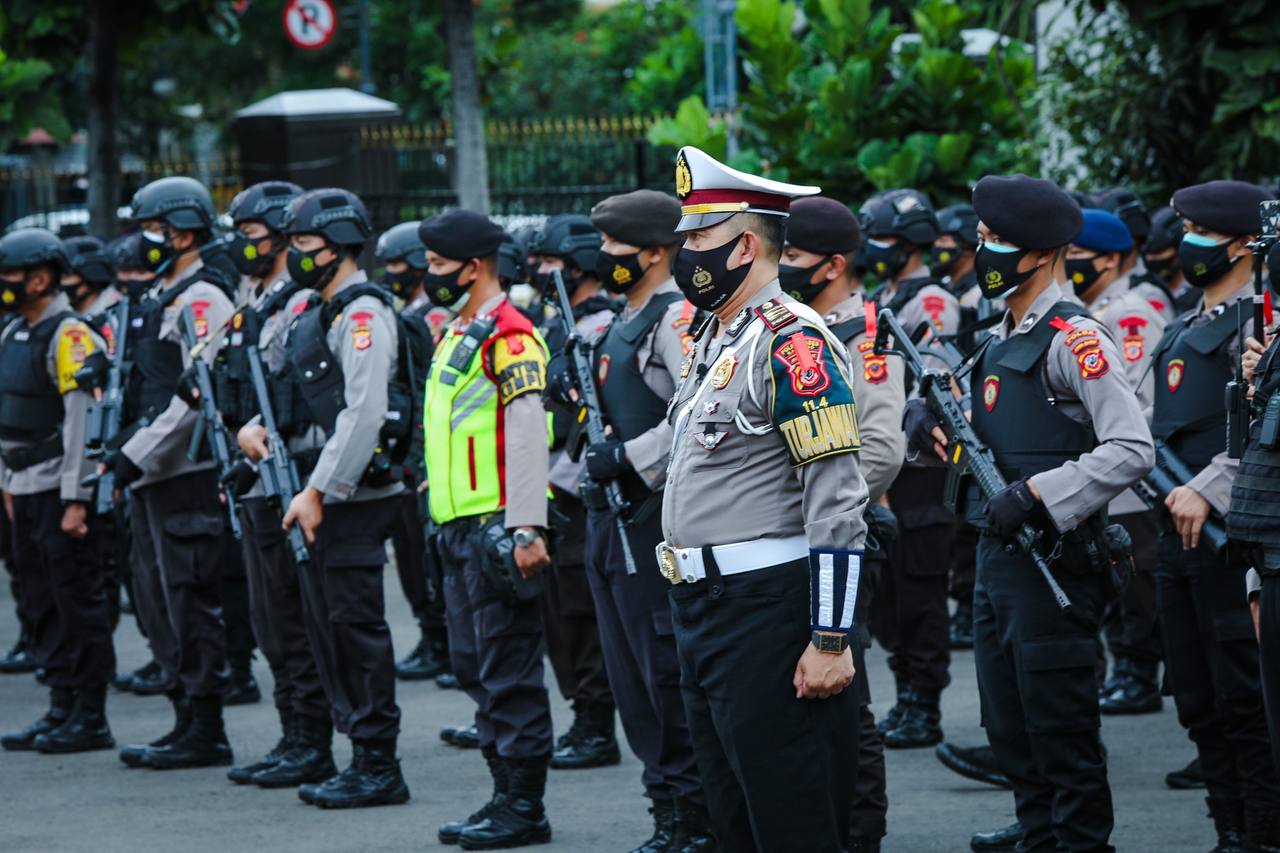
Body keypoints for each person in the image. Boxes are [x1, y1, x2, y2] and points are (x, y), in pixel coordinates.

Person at [906, 173, 1154, 853]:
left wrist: (1043, 493)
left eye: (994, 242)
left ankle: (1075, 840)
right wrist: (926, 424)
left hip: (1054, 561)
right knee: (1009, 721)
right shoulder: (998, 337)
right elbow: (968, 429)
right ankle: (1037, 833)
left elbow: (1133, 447)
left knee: (1059, 728)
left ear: (1042, 252)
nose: (981, 253)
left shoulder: (1074, 339)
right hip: (996, 554)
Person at [660, 145, 868, 852]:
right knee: (732, 815)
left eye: (699, 238)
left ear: (747, 244)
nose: (683, 251)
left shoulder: (793, 342)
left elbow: (836, 493)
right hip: (704, 607)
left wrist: (830, 636)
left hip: (764, 607)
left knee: (791, 816)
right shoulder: (719, 336)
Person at [563, 188, 714, 850]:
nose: (604, 257)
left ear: (656, 252)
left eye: (616, 249)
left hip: (652, 518)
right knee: (628, 676)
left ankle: (693, 813)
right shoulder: (617, 320)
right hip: (608, 519)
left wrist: (628, 455)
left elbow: (695, 413)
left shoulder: (676, 319)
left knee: (662, 670)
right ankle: (665, 804)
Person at [272, 187, 413, 809]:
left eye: (304, 245)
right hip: (326, 493)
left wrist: (317, 490)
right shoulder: (320, 308)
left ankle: (378, 764)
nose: (295, 256)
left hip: (350, 496)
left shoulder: (361, 315)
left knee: (355, 630)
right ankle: (359, 751)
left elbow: (364, 414)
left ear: (339, 245)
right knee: (329, 626)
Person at [419, 207, 556, 849]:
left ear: (473, 267)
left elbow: (529, 431)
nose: (429, 275)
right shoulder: (461, 330)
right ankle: (502, 796)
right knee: (476, 668)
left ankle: (524, 808)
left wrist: (527, 526)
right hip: (456, 524)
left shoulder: (510, 333)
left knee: (509, 671)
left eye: (439, 266)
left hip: (497, 527)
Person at [1151, 180, 1280, 849]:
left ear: (1239, 243)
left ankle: (1259, 833)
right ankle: (1228, 829)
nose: (1186, 242)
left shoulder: (1261, 320)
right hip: (1176, 532)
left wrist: (1212, 486)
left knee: (1243, 700)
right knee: (1198, 699)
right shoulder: (1185, 322)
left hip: (1231, 533)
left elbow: (1264, 429)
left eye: (1200, 228)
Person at [779, 195, 905, 853]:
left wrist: (824, 508)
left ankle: (861, 832)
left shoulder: (863, 333)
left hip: (845, 536)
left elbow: (880, 449)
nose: (783, 267)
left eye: (793, 258)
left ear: (833, 264)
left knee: (845, 697)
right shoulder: (795, 327)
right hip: (801, 542)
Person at [111, 176, 239, 770]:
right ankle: (183, 715)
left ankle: (206, 726)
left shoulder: (203, 297)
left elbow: (196, 391)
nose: (146, 240)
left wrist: (136, 449)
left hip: (184, 469)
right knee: (158, 600)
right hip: (152, 471)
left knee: (189, 598)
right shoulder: (164, 291)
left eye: (154, 229)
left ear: (184, 232)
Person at [215, 180, 339, 790]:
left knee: (293, 620)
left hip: (291, 476)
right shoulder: (253, 296)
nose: (245, 246)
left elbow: (299, 394)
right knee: (270, 622)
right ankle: (293, 734)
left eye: (253, 236)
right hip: (255, 473)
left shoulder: (299, 302)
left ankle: (311, 742)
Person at [0, 228, 116, 754]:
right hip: (21, 487)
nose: (4, 284)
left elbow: (81, 423)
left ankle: (89, 716)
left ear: (41, 278)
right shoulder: (12, 333)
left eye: (11, 275)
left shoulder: (71, 336)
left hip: (57, 491)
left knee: (76, 601)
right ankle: (60, 704)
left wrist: (76, 498)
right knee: (38, 598)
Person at [860, 188, 959, 750]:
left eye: (887, 241)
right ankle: (905, 694)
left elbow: (938, 380)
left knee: (921, 594)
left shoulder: (933, 301)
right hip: (885, 463)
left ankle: (925, 701)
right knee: (893, 595)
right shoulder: (883, 295)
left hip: (921, 466)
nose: (877, 251)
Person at [1064, 208, 1168, 717]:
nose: (1069, 266)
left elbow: (1143, 402)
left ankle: (1138, 673)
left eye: (1078, 257)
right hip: (1100, 475)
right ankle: (1127, 671)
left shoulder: (1127, 313)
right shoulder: (1088, 310)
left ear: (1109, 259)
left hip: (1128, 478)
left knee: (1138, 583)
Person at [530, 211, 621, 771]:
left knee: (583, 615)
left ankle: (595, 724)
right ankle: (582, 713)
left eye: (552, 263)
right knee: (559, 614)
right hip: (547, 488)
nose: (541, 271)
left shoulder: (601, 325)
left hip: (579, 488)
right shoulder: (556, 325)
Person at [373, 221, 451, 685]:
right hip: (414, 452)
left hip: (425, 452)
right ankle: (434, 636)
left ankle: (440, 640)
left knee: (424, 553)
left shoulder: (431, 317)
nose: (392, 273)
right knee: (412, 552)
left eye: (399, 264)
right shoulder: (413, 311)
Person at [61, 235, 119, 317]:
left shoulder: (115, 316)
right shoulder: (65, 313)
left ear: (91, 276)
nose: (60, 283)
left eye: (66, 277)